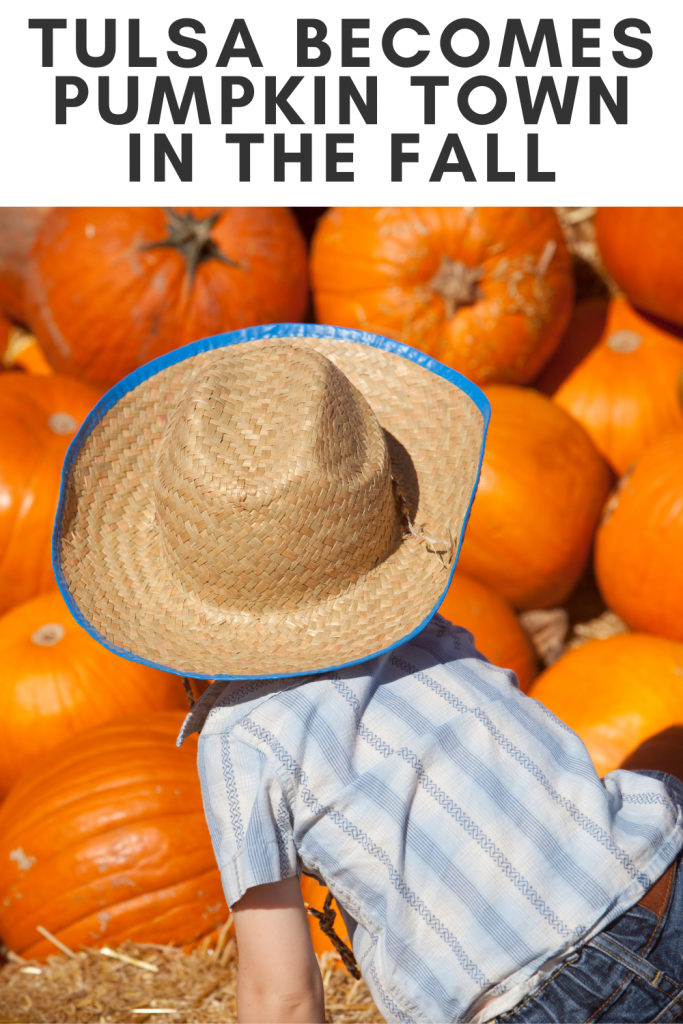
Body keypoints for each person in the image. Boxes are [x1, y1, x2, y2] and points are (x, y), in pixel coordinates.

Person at [54, 324, 683, 1023]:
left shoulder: (238, 743)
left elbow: (281, 991)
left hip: (545, 1001)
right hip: (662, 874)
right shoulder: (428, 632)